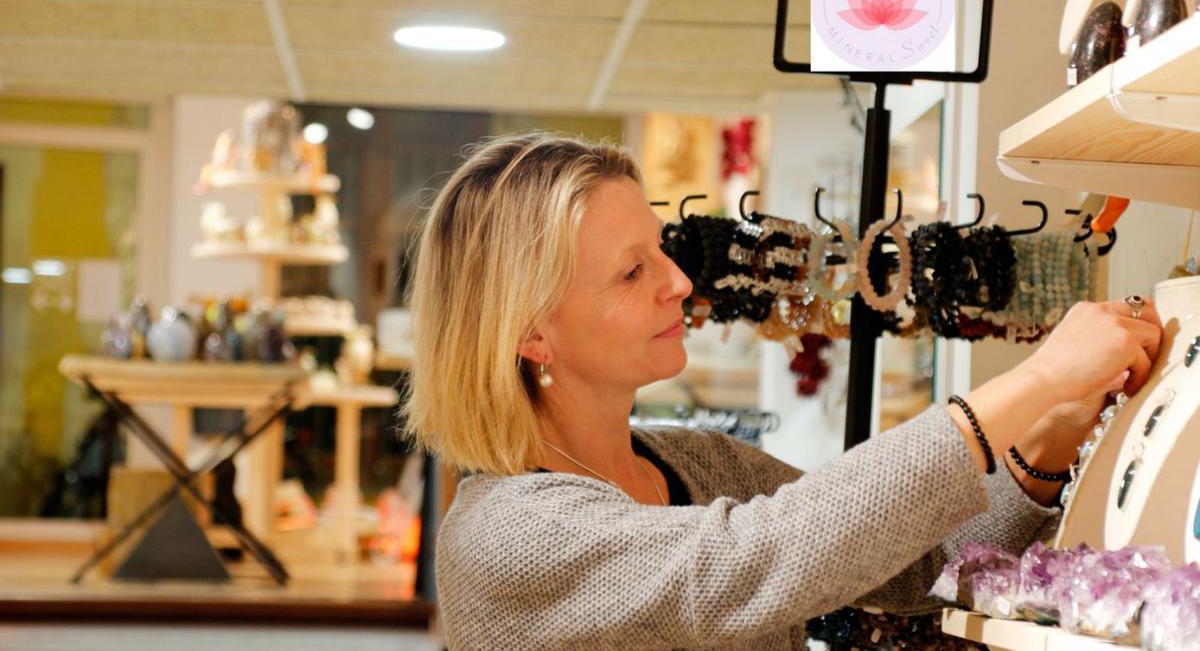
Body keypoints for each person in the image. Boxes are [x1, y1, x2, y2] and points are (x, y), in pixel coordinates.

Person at [401, 133, 1162, 650]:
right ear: (531, 332)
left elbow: (918, 563)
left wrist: (1052, 433)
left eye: (663, 251)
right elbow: (758, 557)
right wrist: (1036, 379)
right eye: (633, 271)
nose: (680, 282)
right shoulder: (506, 538)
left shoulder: (700, 466)